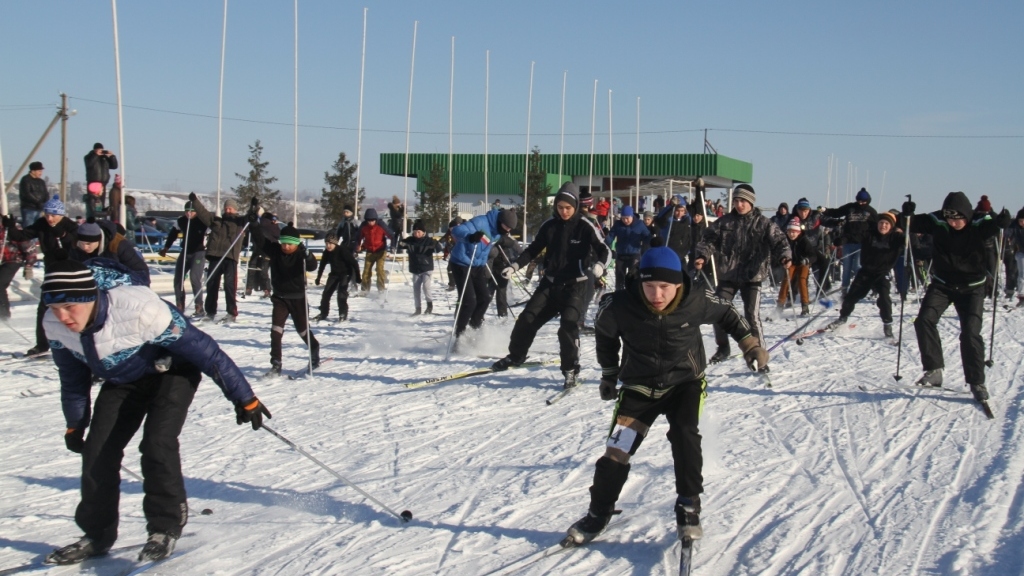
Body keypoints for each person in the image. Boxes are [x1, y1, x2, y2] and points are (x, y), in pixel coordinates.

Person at [39, 259, 270, 565]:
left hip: (173, 373)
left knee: (157, 443)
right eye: (55, 308)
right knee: (97, 451)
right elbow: (72, 380)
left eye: (70, 307)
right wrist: (75, 423)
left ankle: (164, 527)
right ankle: (96, 534)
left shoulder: (140, 310)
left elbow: (205, 350)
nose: (63, 316)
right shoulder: (54, 325)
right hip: (124, 379)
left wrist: (244, 398)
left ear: (90, 297)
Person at [564, 247, 768, 546]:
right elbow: (606, 337)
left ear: (678, 284)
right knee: (617, 451)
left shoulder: (696, 299)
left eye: (664, 287)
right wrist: (609, 374)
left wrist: (750, 344)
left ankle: (688, 505)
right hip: (639, 386)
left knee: (685, 434)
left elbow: (727, 312)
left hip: (685, 383)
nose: (657, 295)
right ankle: (598, 513)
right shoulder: (620, 305)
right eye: (649, 286)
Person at [491, 183, 611, 388]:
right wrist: (515, 266)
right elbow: (533, 249)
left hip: (576, 286)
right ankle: (516, 356)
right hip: (550, 284)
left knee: (567, 327)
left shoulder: (585, 225)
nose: (564, 211)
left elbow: (605, 250)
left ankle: (570, 369)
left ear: (575, 206)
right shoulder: (549, 225)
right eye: (560, 207)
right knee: (526, 319)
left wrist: (600, 265)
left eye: (568, 208)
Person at [902, 192, 1011, 400]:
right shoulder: (937, 220)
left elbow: (994, 225)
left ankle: (976, 382)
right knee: (924, 321)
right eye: (950, 219)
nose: (954, 223)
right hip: (942, 284)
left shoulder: (978, 223)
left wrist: (1002, 221)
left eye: (958, 218)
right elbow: (910, 224)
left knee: (970, 333)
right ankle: (934, 370)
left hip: (972, 287)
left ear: (967, 215)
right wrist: (906, 214)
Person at [694, 184, 791, 368]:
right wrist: (702, 256)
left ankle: (759, 354)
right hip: (728, 275)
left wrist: (785, 256)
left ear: (751, 202)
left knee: (751, 316)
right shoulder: (724, 222)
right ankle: (723, 348)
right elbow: (708, 240)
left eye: (743, 201)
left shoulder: (763, 223)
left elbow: (780, 241)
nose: (739, 205)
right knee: (718, 311)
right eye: (737, 201)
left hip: (752, 276)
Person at [2, 195, 78, 356]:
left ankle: (76, 344)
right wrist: (11, 226)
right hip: (51, 271)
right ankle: (42, 344)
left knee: (72, 308)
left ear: (61, 214)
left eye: (53, 215)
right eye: (47, 214)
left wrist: (64, 235)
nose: (50, 218)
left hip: (70, 271)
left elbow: (76, 243)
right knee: (44, 308)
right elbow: (21, 236)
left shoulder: (70, 225)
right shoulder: (42, 224)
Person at [248, 210, 320, 375]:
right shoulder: (275, 251)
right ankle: (276, 363)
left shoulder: (300, 254)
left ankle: (314, 349)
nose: (286, 247)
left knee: (302, 331)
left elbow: (312, 266)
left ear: (296, 244)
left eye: (290, 244)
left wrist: (308, 255)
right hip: (280, 298)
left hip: (298, 299)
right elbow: (260, 240)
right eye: (283, 243)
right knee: (276, 331)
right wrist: (253, 224)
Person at [824, 212, 903, 336]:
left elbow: (911, 241)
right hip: (866, 272)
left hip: (882, 273)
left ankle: (887, 324)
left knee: (884, 298)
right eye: (881, 223)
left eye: (886, 223)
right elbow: (853, 237)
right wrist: (842, 239)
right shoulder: (869, 234)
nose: (883, 225)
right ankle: (843, 318)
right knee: (851, 297)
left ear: (891, 226)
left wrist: (907, 222)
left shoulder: (896, 237)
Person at [449, 208, 518, 341]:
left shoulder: (498, 231)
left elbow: (500, 241)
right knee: (470, 300)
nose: (508, 230)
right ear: (501, 221)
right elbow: (457, 231)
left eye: (510, 229)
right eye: (507, 227)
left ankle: (474, 328)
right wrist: (470, 237)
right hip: (461, 263)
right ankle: (459, 335)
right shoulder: (481, 222)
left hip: (478, 265)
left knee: (485, 298)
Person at [190, 195, 247, 322]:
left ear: (235, 210)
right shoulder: (217, 221)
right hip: (215, 256)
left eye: (230, 209)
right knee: (212, 284)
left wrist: (254, 208)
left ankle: (231, 312)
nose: (228, 211)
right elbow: (203, 213)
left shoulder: (239, 222)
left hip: (230, 256)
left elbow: (251, 218)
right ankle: (210, 312)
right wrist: (195, 201)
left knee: (229, 285)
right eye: (226, 208)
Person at [159, 200, 211, 316]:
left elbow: (213, 233)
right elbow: (173, 234)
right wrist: (166, 248)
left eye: (191, 211)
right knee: (178, 278)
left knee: (194, 278)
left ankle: (199, 306)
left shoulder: (203, 221)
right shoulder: (181, 221)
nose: (189, 213)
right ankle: (180, 304)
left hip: (199, 252)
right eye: (187, 211)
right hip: (185, 251)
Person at [822, 188, 877, 296]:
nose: (861, 203)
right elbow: (837, 212)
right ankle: (844, 289)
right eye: (859, 201)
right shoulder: (850, 207)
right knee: (846, 268)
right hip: (847, 243)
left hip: (862, 244)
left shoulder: (871, 211)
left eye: (863, 201)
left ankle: (863, 286)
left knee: (857, 267)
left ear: (867, 201)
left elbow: (876, 227)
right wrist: (825, 210)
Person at [70, 219, 150, 285]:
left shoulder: (118, 244)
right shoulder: (75, 246)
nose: (85, 247)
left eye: (89, 243)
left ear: (98, 240)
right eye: (82, 243)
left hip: (120, 288)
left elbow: (141, 272)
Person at [314, 233, 360, 322]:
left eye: (330, 243)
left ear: (335, 243)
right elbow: (322, 265)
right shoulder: (326, 252)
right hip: (334, 274)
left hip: (345, 274)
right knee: (326, 294)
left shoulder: (342, 251)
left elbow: (354, 263)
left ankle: (343, 313)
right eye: (326, 243)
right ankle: (323, 313)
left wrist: (357, 277)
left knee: (341, 294)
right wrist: (318, 278)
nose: (328, 246)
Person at [399, 220, 442, 316]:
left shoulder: (428, 241)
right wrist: (398, 236)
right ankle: (417, 308)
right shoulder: (410, 241)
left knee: (426, 287)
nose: (416, 234)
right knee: (416, 289)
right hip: (415, 269)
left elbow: (439, 249)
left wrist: (436, 244)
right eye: (415, 232)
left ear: (423, 232)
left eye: (419, 232)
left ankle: (429, 306)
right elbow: (400, 245)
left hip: (427, 268)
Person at [777, 217, 817, 316]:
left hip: (803, 263)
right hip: (791, 263)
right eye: (789, 232)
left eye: (794, 232)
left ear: (798, 232)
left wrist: (807, 260)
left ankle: (805, 305)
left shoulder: (804, 240)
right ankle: (780, 305)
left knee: (802, 280)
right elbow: (780, 252)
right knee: (786, 280)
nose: (791, 234)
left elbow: (813, 255)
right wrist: (783, 259)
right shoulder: (785, 240)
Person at [605, 206, 650, 292]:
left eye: (627, 218)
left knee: (633, 276)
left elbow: (647, 236)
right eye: (623, 218)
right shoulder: (618, 224)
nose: (625, 220)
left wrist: (651, 238)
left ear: (631, 216)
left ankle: (633, 292)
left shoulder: (639, 224)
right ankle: (619, 293)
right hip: (620, 255)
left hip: (634, 255)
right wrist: (606, 242)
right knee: (619, 276)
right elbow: (611, 236)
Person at [0, 222, 37, 319]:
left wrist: (29, 265)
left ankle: (3, 315)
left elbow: (28, 247)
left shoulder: (10, 227)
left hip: (12, 259)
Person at [354, 208, 394, 293]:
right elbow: (358, 237)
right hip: (370, 251)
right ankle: (365, 290)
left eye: (372, 220)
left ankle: (381, 289)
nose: (371, 222)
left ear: (376, 219)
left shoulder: (381, 225)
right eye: (369, 220)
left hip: (381, 251)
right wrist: (357, 246)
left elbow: (391, 235)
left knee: (379, 270)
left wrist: (393, 246)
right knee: (366, 272)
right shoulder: (364, 226)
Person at [487, 227, 521, 319]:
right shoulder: (489, 233)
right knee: (488, 291)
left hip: (503, 267)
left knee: (501, 291)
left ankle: (502, 314)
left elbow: (512, 243)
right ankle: (479, 313)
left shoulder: (505, 235)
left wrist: (501, 240)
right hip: (489, 266)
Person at [245, 211, 278, 298]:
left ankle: (249, 288)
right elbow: (278, 236)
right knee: (263, 271)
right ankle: (266, 289)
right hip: (265, 251)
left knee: (252, 269)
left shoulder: (260, 226)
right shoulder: (272, 227)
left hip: (259, 250)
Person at [655, 196, 692, 268]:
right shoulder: (668, 221)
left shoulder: (687, 220)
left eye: (682, 211)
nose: (679, 214)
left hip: (682, 253)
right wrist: (670, 206)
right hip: (668, 252)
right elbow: (659, 219)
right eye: (677, 211)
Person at [83, 144, 119, 220]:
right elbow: (89, 164)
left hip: (103, 184)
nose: (101, 152)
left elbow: (114, 166)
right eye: (99, 150)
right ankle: (93, 218)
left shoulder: (104, 158)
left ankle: (101, 217)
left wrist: (112, 156)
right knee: (93, 203)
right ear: (94, 150)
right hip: (93, 184)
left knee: (101, 203)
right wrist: (96, 155)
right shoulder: (89, 157)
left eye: (102, 150)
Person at [973, 195, 998, 299]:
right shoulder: (975, 217)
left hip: (989, 247)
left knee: (991, 270)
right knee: (981, 271)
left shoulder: (991, 216)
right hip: (978, 248)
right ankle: (982, 291)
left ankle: (992, 290)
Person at [19, 161, 49, 227]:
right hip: (29, 208)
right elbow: (26, 194)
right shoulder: (25, 180)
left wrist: (45, 203)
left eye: (41, 171)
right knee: (29, 228)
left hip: (40, 209)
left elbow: (46, 193)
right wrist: (38, 202)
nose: (41, 173)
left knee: (38, 228)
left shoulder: (41, 182)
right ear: (33, 171)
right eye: (39, 171)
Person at [1007, 208, 1024, 306]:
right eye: (1020, 221)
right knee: (1022, 274)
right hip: (1021, 253)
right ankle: (1022, 296)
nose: (1022, 223)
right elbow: (1007, 232)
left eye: (1023, 221)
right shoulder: (1015, 226)